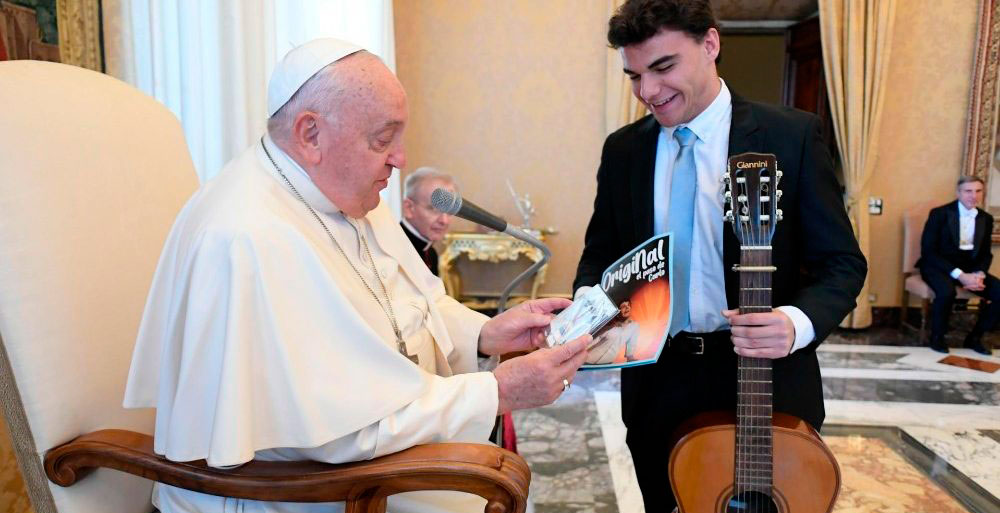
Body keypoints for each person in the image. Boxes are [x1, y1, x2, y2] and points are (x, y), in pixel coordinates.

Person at [124, 38, 590, 513]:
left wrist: (485, 333)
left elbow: (410, 306)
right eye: (382, 139)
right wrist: (498, 390)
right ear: (311, 134)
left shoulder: (343, 191)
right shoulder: (247, 238)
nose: (400, 159)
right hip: (295, 489)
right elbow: (337, 432)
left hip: (363, 465)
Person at [572, 1, 867, 510]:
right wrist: (586, 307)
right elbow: (600, 254)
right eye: (634, 75)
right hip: (656, 380)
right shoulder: (623, 150)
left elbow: (841, 262)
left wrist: (795, 323)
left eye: (663, 67)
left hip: (767, 380)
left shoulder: (790, 136)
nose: (648, 92)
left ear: (710, 45)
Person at [917, 176, 999, 355]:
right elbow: (928, 252)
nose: (973, 196)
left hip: (970, 269)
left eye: (978, 191)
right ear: (958, 192)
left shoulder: (986, 218)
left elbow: (985, 253)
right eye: (968, 191)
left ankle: (975, 338)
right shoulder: (939, 213)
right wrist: (960, 275)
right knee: (947, 292)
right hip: (937, 266)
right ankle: (937, 338)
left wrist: (979, 274)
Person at [401, 167, 456, 275]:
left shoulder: (431, 253)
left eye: (449, 210)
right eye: (434, 209)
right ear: (409, 208)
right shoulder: (394, 251)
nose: (444, 221)